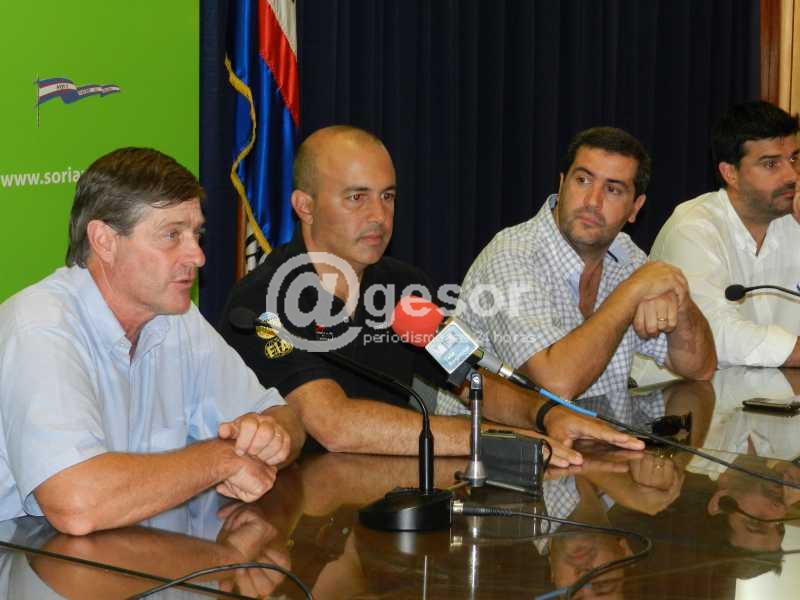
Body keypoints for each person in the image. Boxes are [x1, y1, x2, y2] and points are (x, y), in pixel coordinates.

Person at [219, 125, 645, 468]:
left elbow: (470, 380)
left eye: (388, 197)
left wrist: (548, 416)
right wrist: (497, 440)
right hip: (291, 518)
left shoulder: (405, 288)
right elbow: (334, 425)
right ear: (305, 206)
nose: (379, 216)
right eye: (356, 198)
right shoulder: (262, 301)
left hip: (388, 505)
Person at [0, 148, 305, 535]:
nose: (197, 256)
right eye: (172, 235)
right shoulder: (39, 326)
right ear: (105, 241)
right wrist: (221, 459)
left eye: (196, 235)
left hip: (123, 547)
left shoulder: (177, 319)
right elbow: (76, 504)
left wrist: (270, 438)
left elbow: (284, 417)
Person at [457, 126, 716, 402]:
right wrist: (631, 292)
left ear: (635, 208)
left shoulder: (627, 256)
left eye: (613, 189)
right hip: (485, 428)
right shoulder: (513, 254)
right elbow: (555, 385)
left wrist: (680, 298)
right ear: (561, 184)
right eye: (582, 180)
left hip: (595, 425)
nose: (593, 201)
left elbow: (700, 368)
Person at [641, 101, 800, 368]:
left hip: (769, 387)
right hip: (679, 388)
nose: (791, 175)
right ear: (730, 173)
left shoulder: (793, 218)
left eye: (794, 158)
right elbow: (714, 331)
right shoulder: (693, 228)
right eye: (771, 164)